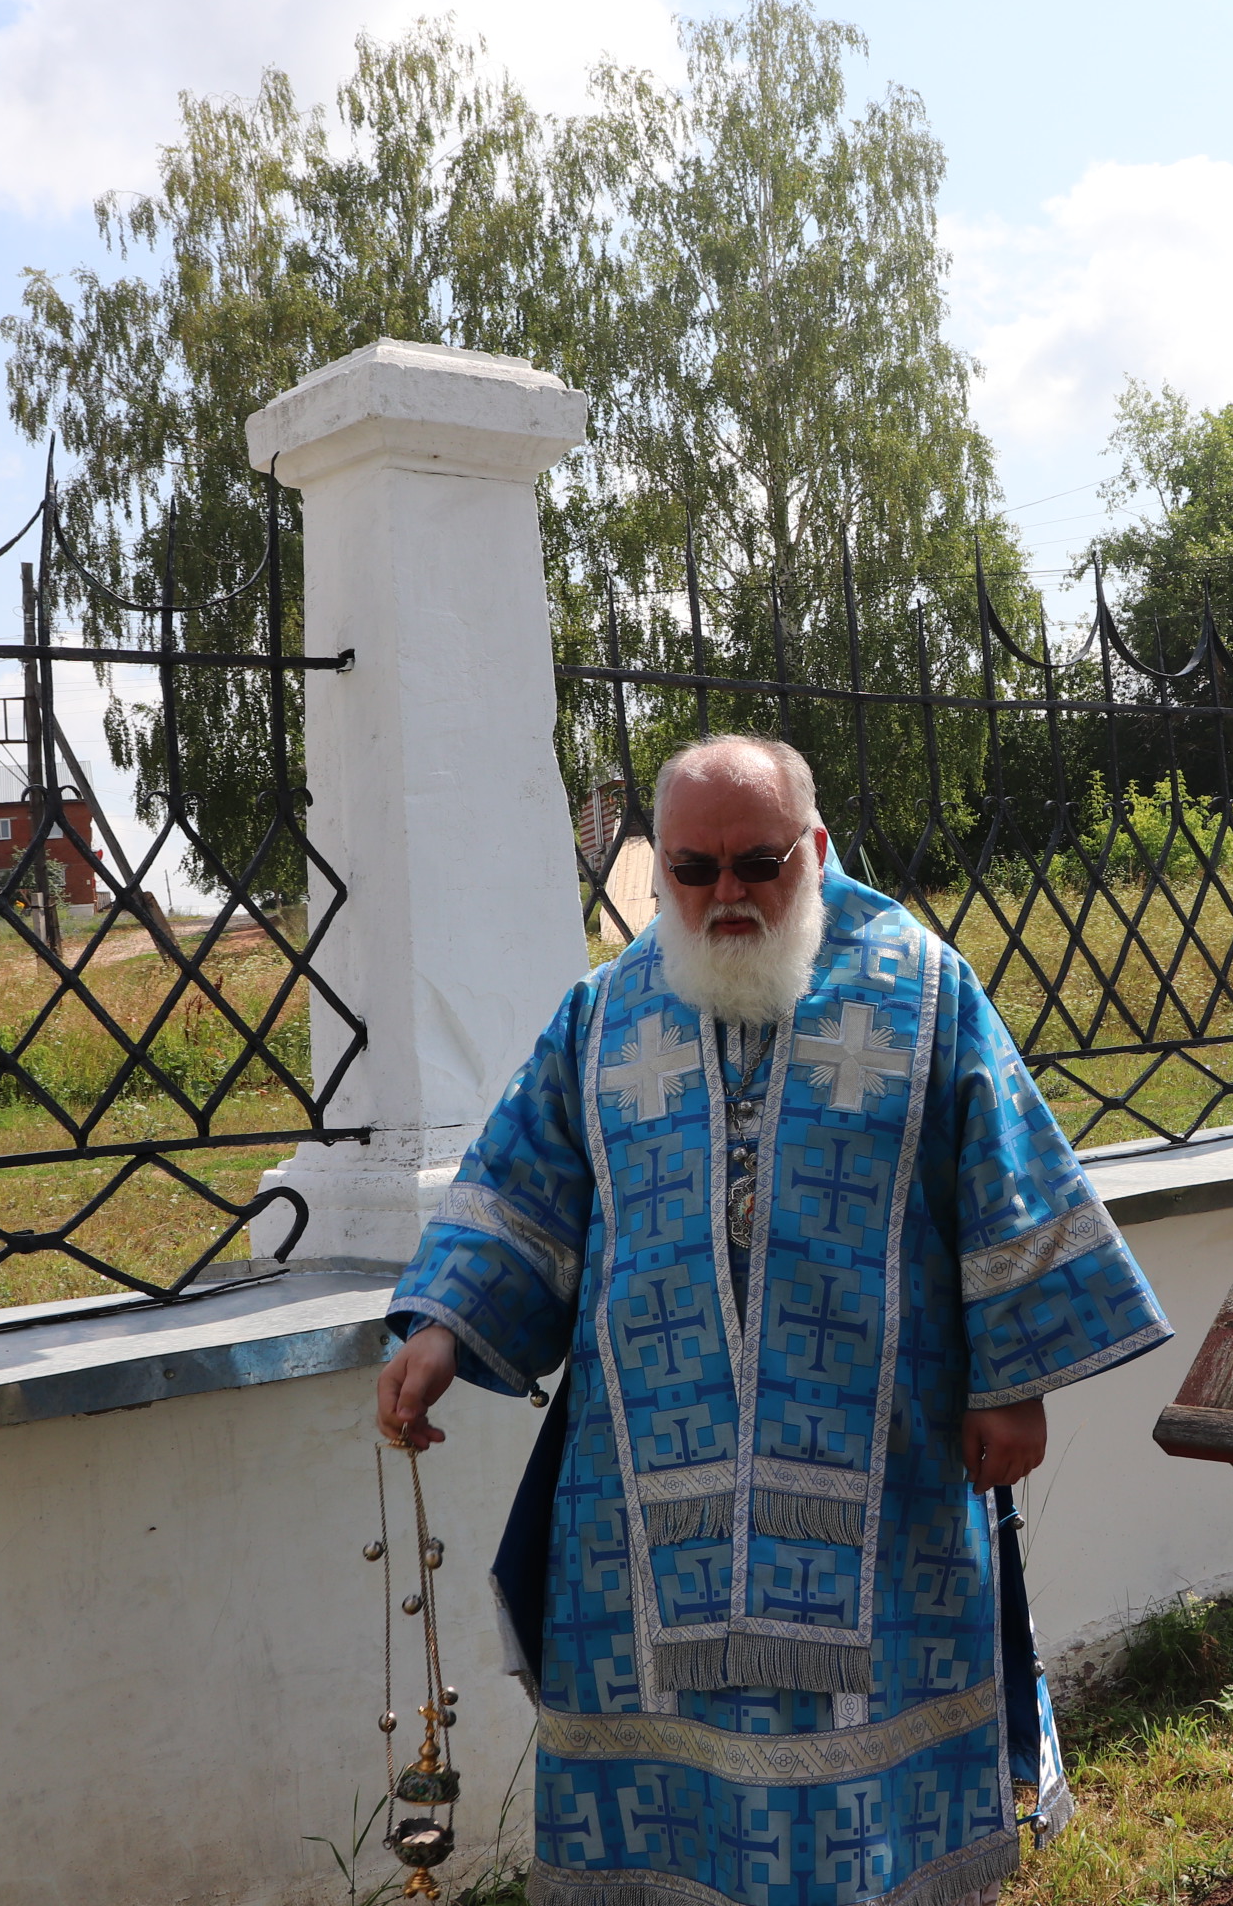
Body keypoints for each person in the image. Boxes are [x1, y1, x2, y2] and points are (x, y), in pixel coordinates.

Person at [374, 732, 1172, 1906]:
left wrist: (1011, 1379)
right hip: (645, 1506)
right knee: (674, 1811)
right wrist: (441, 1326)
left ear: (820, 848)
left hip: (881, 1478)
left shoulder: (922, 986)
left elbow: (1008, 1178)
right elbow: (524, 1187)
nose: (727, 894)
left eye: (760, 861)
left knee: (863, 1825)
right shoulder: (602, 1015)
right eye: (692, 871)